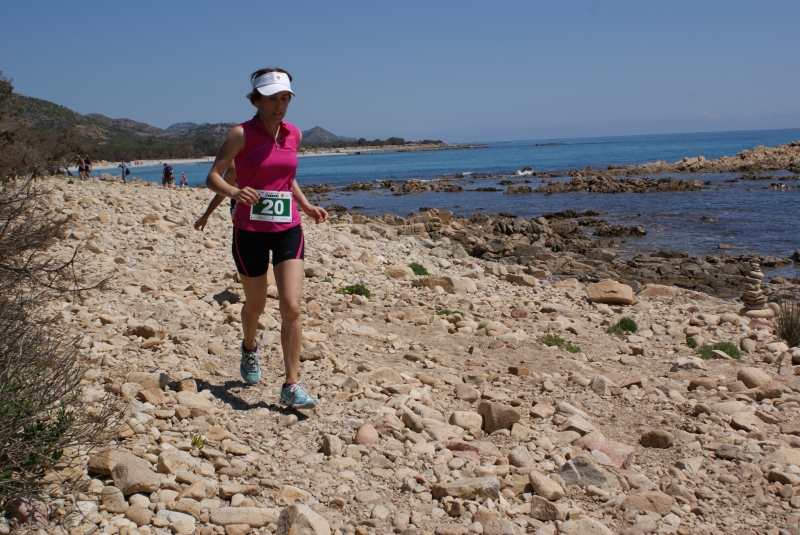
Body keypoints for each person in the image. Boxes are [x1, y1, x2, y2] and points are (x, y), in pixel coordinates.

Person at [205, 67, 327, 409]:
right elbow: (212, 176)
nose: (279, 105)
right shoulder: (240, 134)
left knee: (291, 306)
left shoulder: (294, 134)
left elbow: (286, 179)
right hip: (250, 232)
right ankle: (249, 347)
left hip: (288, 228)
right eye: (272, 98)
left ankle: (291, 384)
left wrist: (306, 205)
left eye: (285, 98)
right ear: (256, 100)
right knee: (255, 306)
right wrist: (234, 191)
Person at [195, 162, 237, 231]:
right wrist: (206, 216)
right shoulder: (235, 166)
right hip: (240, 214)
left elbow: (222, 194)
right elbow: (222, 194)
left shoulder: (234, 166)